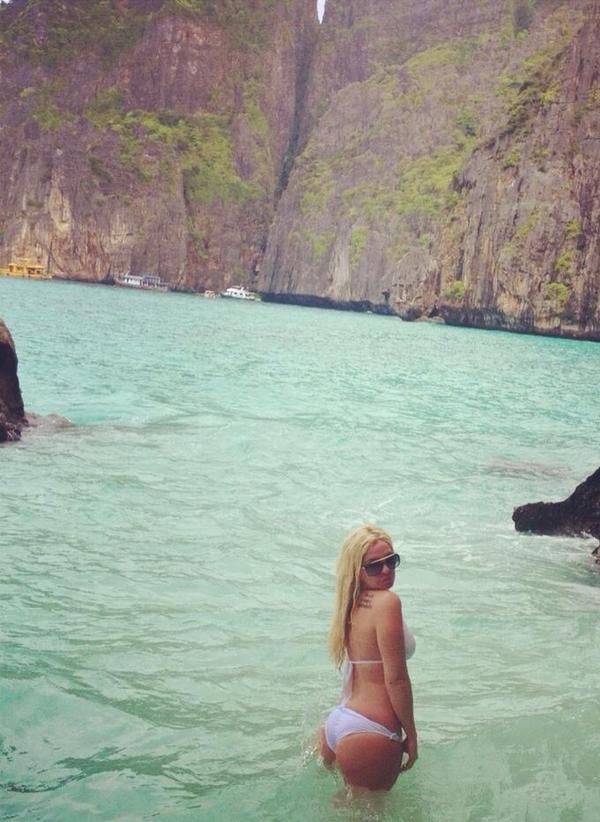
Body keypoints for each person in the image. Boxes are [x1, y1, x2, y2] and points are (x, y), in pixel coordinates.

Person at [320, 524, 417, 791]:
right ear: (356, 570)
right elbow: (396, 679)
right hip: (372, 729)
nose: (386, 570)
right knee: (372, 810)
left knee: (343, 806)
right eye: (374, 566)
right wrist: (411, 733)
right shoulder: (387, 602)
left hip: (339, 721)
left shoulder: (348, 602)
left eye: (391, 561)